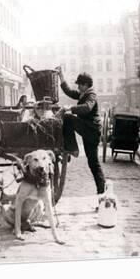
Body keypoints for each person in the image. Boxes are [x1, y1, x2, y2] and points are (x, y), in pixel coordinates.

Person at [57, 66, 106, 197]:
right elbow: (69, 91)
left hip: (91, 130)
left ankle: (72, 147)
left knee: (68, 118)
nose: (78, 88)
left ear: (85, 85)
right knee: (93, 163)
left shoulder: (91, 95)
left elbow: (87, 108)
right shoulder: (84, 94)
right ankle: (103, 194)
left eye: (79, 85)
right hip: (88, 130)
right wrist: (61, 76)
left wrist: (70, 108)